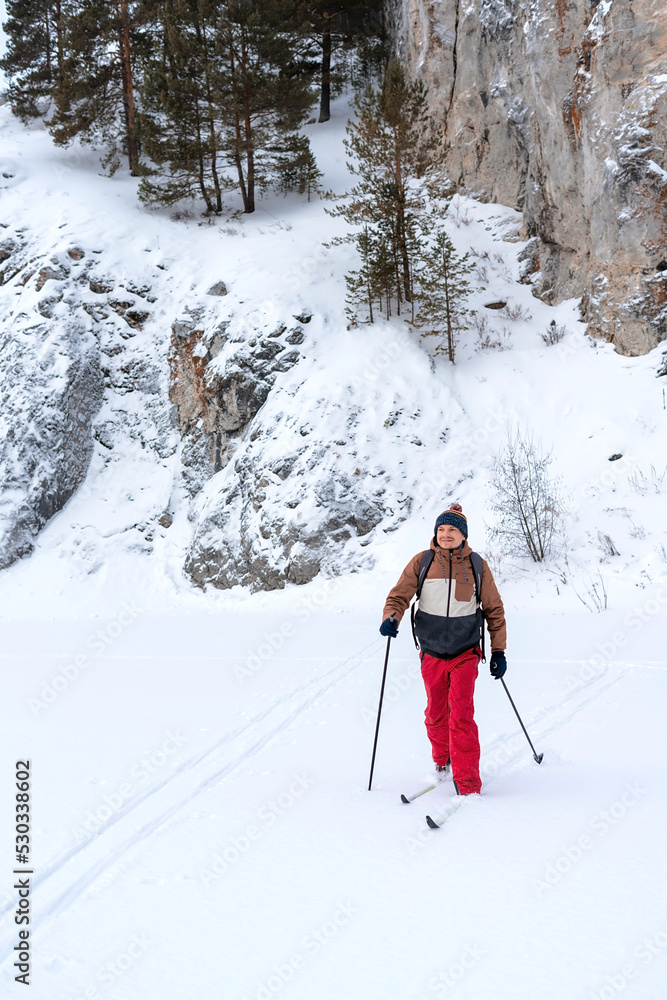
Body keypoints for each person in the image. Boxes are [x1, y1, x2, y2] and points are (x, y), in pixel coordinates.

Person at [379, 503, 507, 795]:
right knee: (436, 714)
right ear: (435, 533)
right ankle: (442, 760)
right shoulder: (421, 562)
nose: (446, 534)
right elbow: (398, 597)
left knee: (461, 714)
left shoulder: (476, 565)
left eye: (452, 530)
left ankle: (468, 784)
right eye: (441, 529)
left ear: (463, 535)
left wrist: (498, 652)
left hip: (465, 652)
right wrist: (391, 619)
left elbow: (494, 611)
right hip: (432, 651)